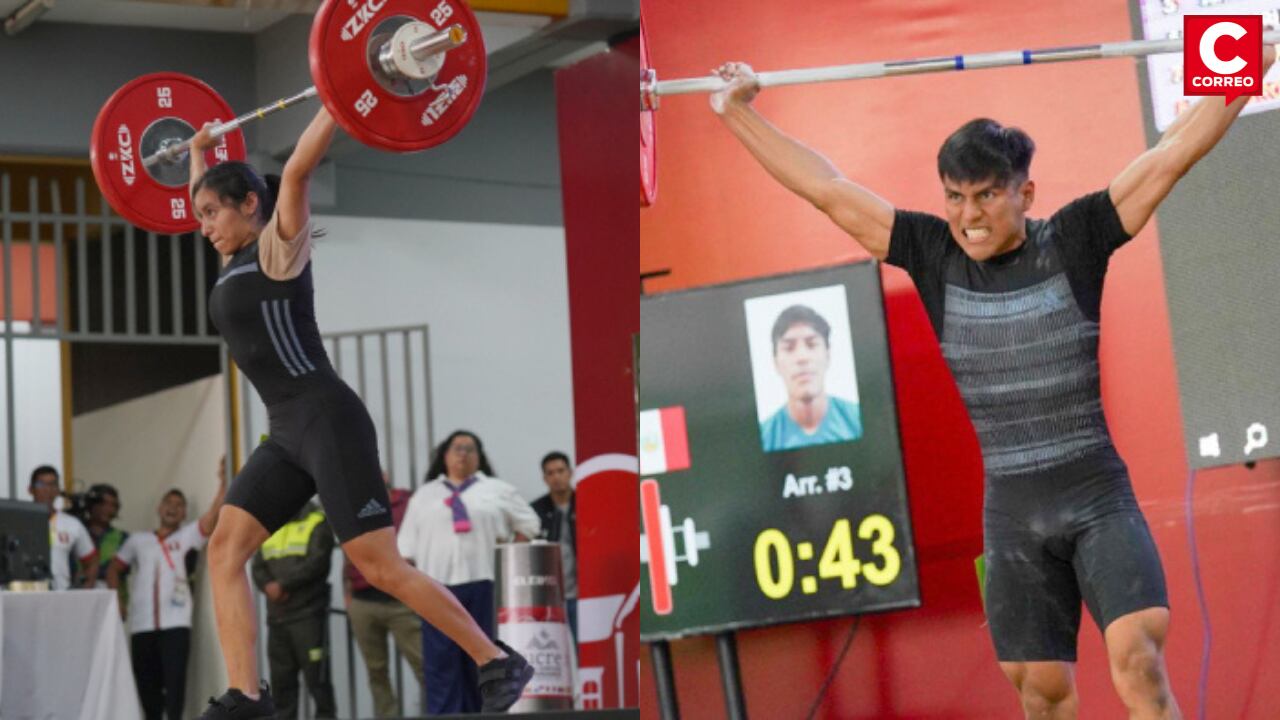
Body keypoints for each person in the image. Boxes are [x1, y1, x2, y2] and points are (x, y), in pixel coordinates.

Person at [710, 48, 1276, 719]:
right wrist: (735, 113)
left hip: (1097, 498)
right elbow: (826, 188)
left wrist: (1250, 57)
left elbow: (1170, 157)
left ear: (1024, 194)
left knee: (1139, 661)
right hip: (1012, 514)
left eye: (985, 195)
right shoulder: (931, 253)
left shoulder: (1076, 238)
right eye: (954, 197)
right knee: (1040, 693)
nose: (968, 215)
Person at [187, 108, 533, 720]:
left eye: (213, 212)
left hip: (328, 421)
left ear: (250, 204)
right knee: (224, 550)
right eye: (200, 216)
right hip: (286, 432)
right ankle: (248, 696)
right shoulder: (232, 260)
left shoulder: (277, 248)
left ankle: (495, 660)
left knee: (380, 566)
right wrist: (198, 152)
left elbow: (297, 170)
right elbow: (209, 193)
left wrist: (336, 98)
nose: (205, 226)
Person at [398, 430, 542, 715]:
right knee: (440, 662)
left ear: (479, 456)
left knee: (483, 658)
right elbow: (405, 550)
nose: (463, 454)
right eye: (457, 448)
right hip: (436, 588)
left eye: (470, 448)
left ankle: (483, 714)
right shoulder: (424, 495)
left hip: (484, 585)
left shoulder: (497, 489)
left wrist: (508, 555)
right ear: (444, 455)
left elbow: (530, 524)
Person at [106, 460, 228, 720]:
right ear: (159, 508)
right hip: (142, 626)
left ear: (184, 514)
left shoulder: (186, 537)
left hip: (176, 624)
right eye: (168, 503)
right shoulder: (138, 541)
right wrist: (118, 601)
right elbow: (114, 569)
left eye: (179, 505)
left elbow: (210, 519)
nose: (172, 508)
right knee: (146, 689)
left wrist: (223, 482)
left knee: (175, 689)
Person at [343, 471, 424, 718]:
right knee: (376, 671)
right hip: (363, 601)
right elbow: (348, 551)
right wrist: (347, 594)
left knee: (424, 665)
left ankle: (437, 713)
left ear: (386, 476)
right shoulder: (353, 506)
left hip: (402, 601)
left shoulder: (410, 502)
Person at [250, 501, 337, 719]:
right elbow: (257, 565)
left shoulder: (316, 519)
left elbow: (318, 561)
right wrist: (268, 586)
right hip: (277, 620)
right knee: (281, 689)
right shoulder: (270, 523)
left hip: (308, 616)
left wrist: (283, 585)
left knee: (319, 686)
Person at [759, 303, 863, 451]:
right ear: (776, 363)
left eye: (812, 344)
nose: (802, 357)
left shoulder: (858, 420)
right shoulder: (765, 437)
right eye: (789, 348)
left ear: (828, 355)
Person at [531, 451, 578, 642]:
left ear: (570, 472)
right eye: (550, 473)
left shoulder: (587, 502)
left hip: (581, 591)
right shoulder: (535, 510)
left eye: (560, 471)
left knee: (584, 644)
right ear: (544, 478)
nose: (556, 477)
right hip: (549, 592)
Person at [29, 465, 97, 590]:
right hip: (23, 594)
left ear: (58, 490)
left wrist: (86, 589)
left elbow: (91, 561)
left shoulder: (72, 524)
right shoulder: (17, 521)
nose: (47, 490)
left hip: (60, 594)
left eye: (52, 485)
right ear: (30, 489)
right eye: (41, 484)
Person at [83, 483, 129, 588]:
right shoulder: (77, 533)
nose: (108, 509)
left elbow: (120, 570)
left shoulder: (123, 538)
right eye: (103, 504)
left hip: (114, 595)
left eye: (113, 505)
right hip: (80, 594)